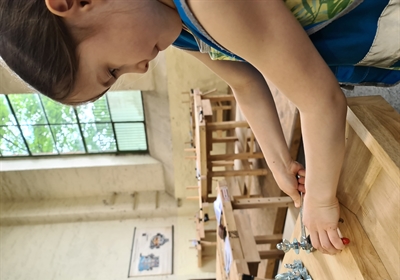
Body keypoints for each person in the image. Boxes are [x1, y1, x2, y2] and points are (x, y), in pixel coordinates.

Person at [1, 0, 399, 255]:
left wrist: (322, 201)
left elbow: (321, 102)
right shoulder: (180, 29)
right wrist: (279, 162)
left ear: (78, 3)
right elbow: (243, 81)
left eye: (111, 69)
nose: (137, 70)